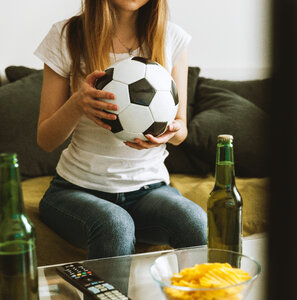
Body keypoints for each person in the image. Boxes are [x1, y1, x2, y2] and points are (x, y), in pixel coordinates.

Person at [34, 0, 207, 259]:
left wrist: (168, 134)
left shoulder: (172, 37)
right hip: (76, 190)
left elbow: (181, 129)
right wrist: (76, 104)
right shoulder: (66, 36)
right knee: (114, 225)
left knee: (195, 221)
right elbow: (45, 140)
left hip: (149, 189)